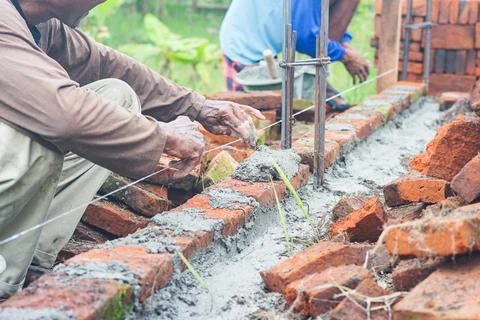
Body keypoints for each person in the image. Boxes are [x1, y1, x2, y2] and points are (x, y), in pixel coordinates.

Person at [0, 0, 265, 299]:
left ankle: (31, 259)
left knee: (116, 97)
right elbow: (64, 116)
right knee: (39, 135)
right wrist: (162, 136)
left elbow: (105, 64)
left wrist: (197, 106)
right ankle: (4, 284)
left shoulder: (39, 25)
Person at [220, 0, 370, 111]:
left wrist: (345, 44)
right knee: (254, 121)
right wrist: (344, 55)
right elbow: (306, 38)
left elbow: (323, 14)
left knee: (333, 104)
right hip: (245, 46)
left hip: (264, 47)